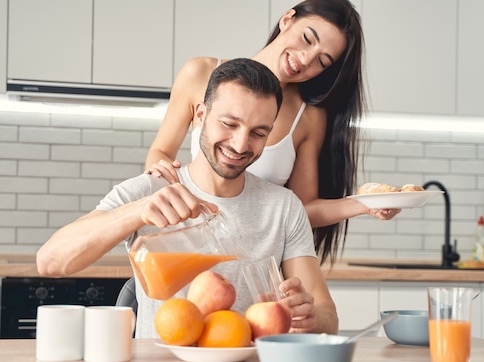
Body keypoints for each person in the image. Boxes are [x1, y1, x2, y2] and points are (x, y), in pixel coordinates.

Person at [37, 58, 338, 338]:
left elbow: (327, 317)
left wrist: (309, 315)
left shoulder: (283, 207)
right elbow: (50, 261)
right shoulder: (150, 190)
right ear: (200, 115)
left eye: (259, 132)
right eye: (229, 124)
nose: (241, 143)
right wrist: (138, 212)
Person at [145, 0, 399, 266]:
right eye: (306, 39)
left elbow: (302, 208)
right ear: (287, 19)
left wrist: (364, 204)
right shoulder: (201, 74)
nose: (305, 60)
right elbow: (160, 151)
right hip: (192, 252)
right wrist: (165, 184)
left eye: (321, 62)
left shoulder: (308, 117)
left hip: (258, 262)